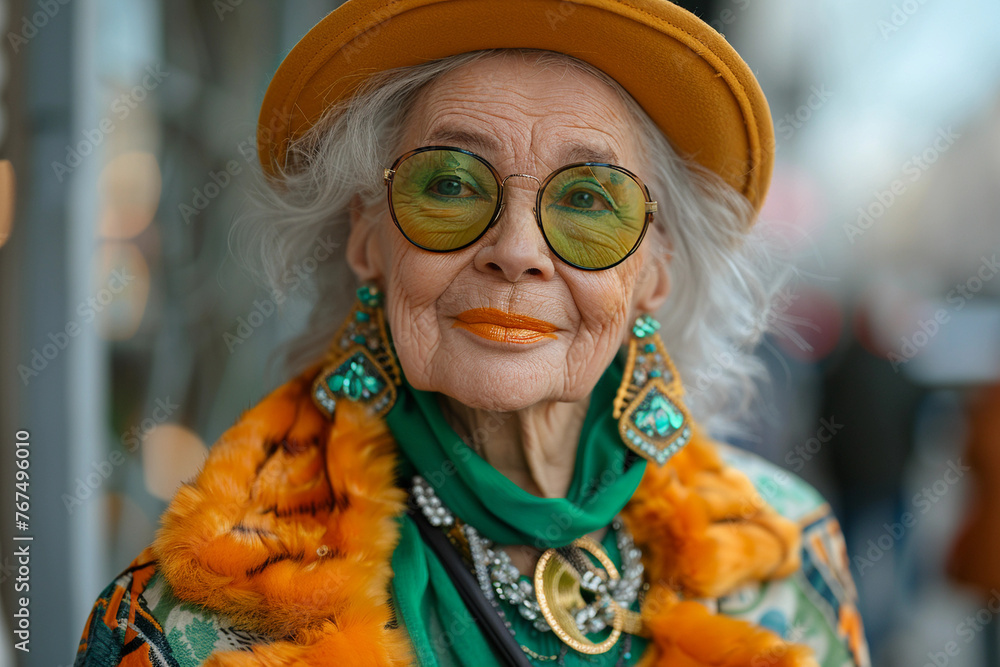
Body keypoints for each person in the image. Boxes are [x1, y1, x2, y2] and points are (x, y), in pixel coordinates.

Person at [73, 1, 870, 665]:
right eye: (450, 183)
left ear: (655, 269)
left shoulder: (786, 560)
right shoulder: (192, 621)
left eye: (590, 199)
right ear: (366, 236)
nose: (518, 252)